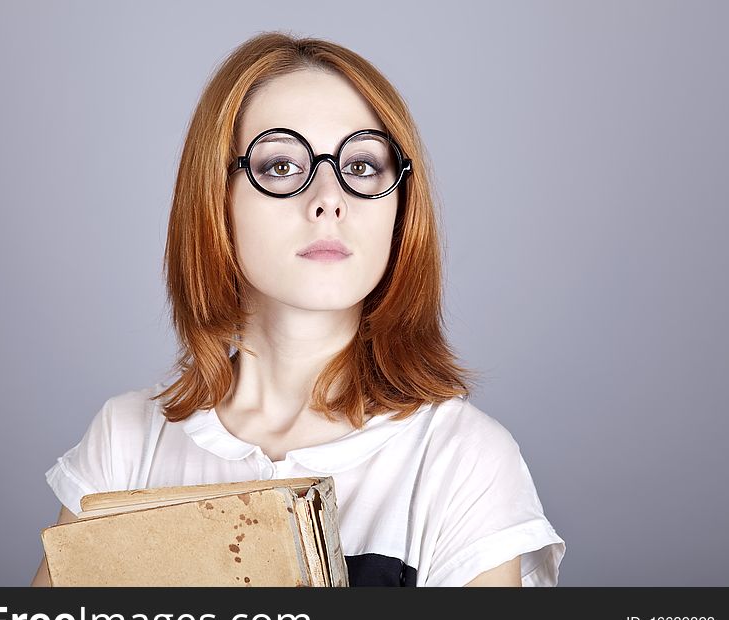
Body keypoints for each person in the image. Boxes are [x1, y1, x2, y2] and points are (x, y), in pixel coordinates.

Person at [32, 31, 565, 587]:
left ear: (400, 208)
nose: (329, 199)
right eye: (282, 166)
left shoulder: (463, 459)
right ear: (216, 198)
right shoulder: (125, 442)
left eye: (361, 166)